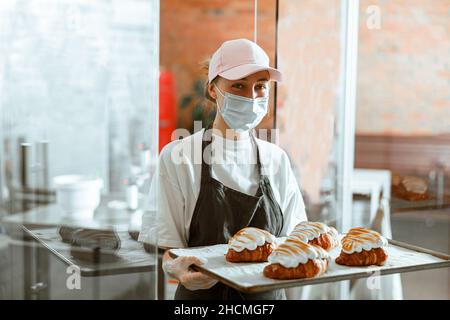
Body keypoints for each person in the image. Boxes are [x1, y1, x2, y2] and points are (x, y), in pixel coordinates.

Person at [155, 38, 308, 299]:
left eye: (260, 86)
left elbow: (295, 239)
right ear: (213, 89)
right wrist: (177, 269)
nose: (251, 97)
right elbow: (167, 246)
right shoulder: (178, 157)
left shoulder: (277, 159)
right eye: (238, 85)